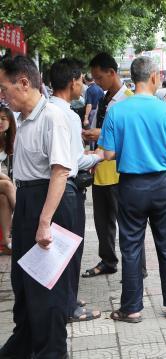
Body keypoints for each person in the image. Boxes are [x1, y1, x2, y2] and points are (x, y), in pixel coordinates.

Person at [98, 56, 166, 322]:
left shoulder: (117, 111)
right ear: (154, 77)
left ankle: (132, 308)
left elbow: (108, 154)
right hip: (163, 184)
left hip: (130, 186)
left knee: (131, 247)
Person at [0, 55, 77, 358]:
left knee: (48, 293)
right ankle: (24, 347)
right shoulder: (23, 120)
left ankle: (51, 353)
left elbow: (60, 171)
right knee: (24, 284)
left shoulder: (51, 117)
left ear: (23, 82)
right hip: (29, 202)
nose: (3, 96)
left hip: (49, 204)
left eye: (4, 89)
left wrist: (44, 222)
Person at [81, 52, 147, 278]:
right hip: (100, 170)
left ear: (112, 72)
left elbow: (134, 137)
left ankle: (138, 268)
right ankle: (108, 261)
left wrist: (100, 134)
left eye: (99, 78)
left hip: (121, 173)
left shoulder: (130, 99)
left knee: (129, 226)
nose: (96, 83)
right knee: (103, 224)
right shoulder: (102, 98)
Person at [49, 58, 104, 322]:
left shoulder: (46, 109)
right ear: (72, 82)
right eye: (82, 80)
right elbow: (72, 162)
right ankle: (69, 306)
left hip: (46, 189)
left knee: (60, 247)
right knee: (70, 248)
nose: (83, 85)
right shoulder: (68, 116)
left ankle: (66, 296)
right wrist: (99, 156)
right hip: (66, 190)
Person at [0, 106, 16, 256]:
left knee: (4, 198)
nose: (0, 122)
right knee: (6, 184)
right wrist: (5, 178)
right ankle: (21, 218)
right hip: (3, 182)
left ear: (10, 122)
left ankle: (6, 241)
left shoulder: (10, 141)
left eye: (4, 119)